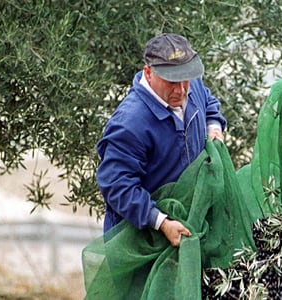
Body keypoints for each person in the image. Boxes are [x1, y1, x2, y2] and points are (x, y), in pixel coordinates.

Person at [96, 33, 227, 247]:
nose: (181, 90)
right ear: (148, 73)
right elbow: (117, 185)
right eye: (171, 81)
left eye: (185, 79)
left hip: (186, 224)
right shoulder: (130, 123)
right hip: (142, 239)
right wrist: (161, 222)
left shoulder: (189, 85)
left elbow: (209, 102)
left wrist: (213, 126)